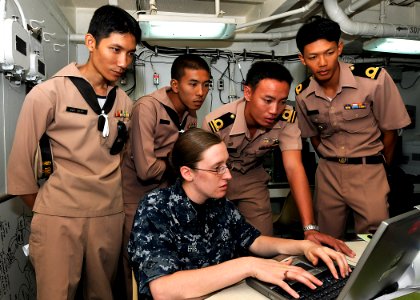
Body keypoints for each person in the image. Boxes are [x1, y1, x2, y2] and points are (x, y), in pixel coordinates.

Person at [7, 5, 141, 299]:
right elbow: (19, 169)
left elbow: (121, 161)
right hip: (60, 218)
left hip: (109, 217)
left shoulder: (125, 103)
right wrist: (52, 210)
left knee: (104, 294)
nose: (123, 62)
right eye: (115, 49)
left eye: (130, 54)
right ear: (91, 43)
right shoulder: (48, 94)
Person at [127, 128, 351, 299]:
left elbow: (254, 240)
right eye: (217, 168)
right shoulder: (156, 208)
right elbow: (163, 289)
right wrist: (247, 266)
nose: (228, 176)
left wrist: (303, 245)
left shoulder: (218, 203)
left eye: (227, 165)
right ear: (188, 173)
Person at [202, 61, 353, 255]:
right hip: (219, 178)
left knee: (264, 245)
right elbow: (206, 172)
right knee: (216, 245)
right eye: (267, 100)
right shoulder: (217, 123)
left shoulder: (287, 118)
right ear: (248, 93)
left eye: (282, 101)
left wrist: (310, 228)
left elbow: (294, 168)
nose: (275, 110)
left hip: (252, 178)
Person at [294, 17, 411, 238]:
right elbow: (313, 137)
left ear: (339, 48)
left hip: (369, 170)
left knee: (373, 239)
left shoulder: (373, 80)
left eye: (328, 52)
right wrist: (329, 161)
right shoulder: (303, 94)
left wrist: (379, 166)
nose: (322, 63)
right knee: (326, 240)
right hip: (327, 173)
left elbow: (390, 132)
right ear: (302, 59)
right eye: (313, 57)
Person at [120, 53, 211, 298]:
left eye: (206, 85)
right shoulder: (147, 107)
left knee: (172, 265)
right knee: (141, 268)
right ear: (175, 85)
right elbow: (146, 169)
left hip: (169, 199)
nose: (201, 92)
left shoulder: (190, 115)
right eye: (193, 84)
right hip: (136, 199)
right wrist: (177, 163)